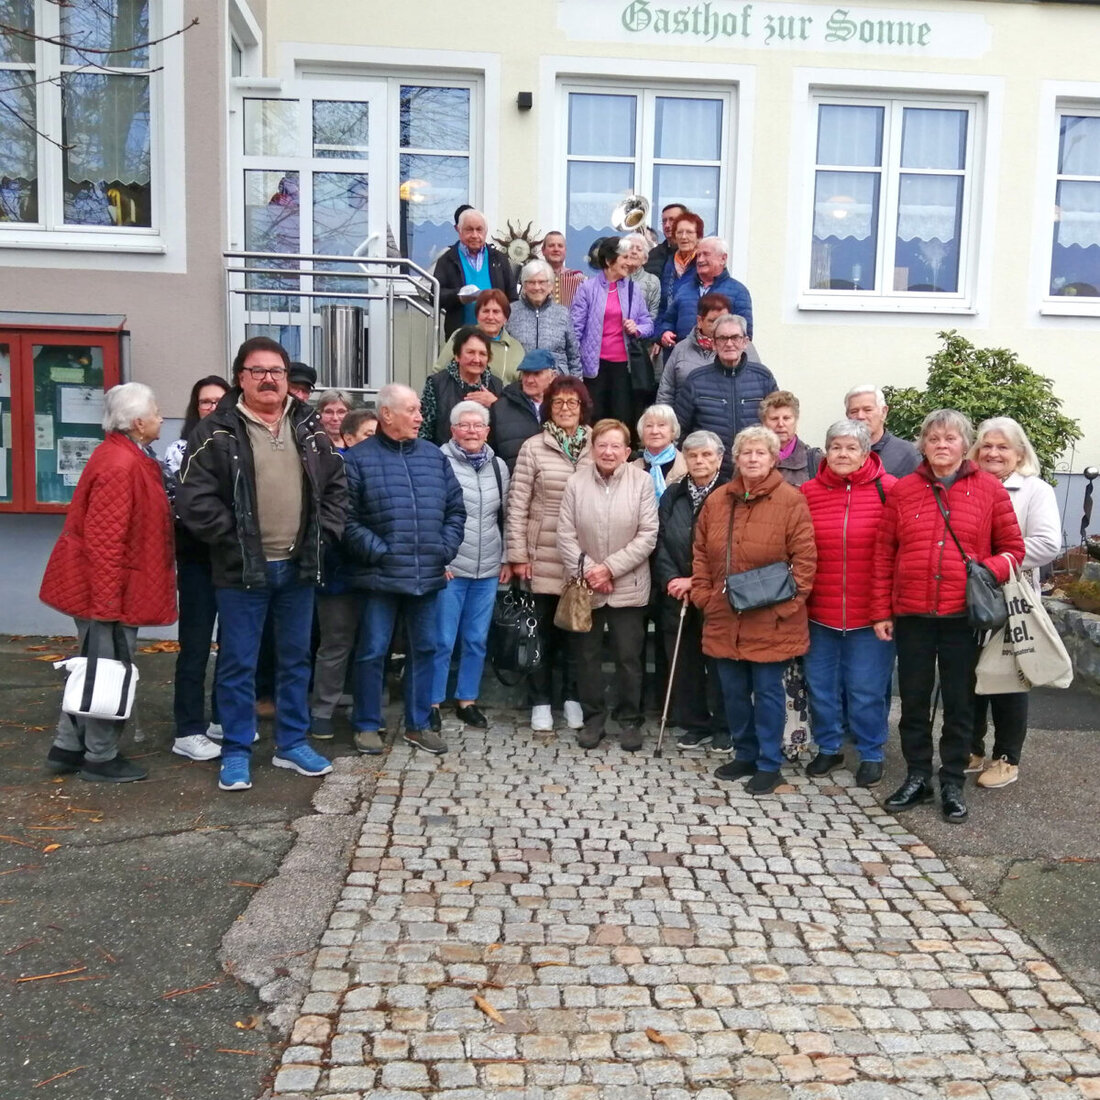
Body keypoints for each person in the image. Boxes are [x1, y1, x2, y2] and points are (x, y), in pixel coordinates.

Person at [176, 336, 347, 792]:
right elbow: (193, 500)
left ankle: (292, 743)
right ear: (241, 378)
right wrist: (234, 541)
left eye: (277, 371)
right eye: (258, 371)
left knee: (295, 660)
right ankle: (235, 750)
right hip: (241, 570)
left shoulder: (310, 427)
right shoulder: (214, 430)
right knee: (238, 663)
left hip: (298, 567)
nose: (269, 379)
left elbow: (336, 491)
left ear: (287, 379)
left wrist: (323, 535)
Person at [871, 409, 1025, 824]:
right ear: (923, 444)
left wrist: (984, 570)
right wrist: (882, 610)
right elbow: (885, 553)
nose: (942, 445)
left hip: (963, 615)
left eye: (950, 439)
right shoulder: (903, 491)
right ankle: (919, 776)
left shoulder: (990, 490)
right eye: (934, 438)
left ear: (964, 445)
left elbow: (1014, 549)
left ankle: (952, 780)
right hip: (913, 615)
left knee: (960, 702)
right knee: (915, 702)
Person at [39, 382, 176, 783]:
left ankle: (67, 747)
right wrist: (105, 606)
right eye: (155, 412)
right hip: (109, 592)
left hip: (108, 588)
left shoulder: (124, 456)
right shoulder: (121, 464)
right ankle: (100, 755)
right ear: (138, 422)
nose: (161, 418)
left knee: (91, 668)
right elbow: (105, 543)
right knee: (109, 669)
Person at [691, 425, 818, 794]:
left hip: (771, 615)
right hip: (724, 613)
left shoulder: (791, 500)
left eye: (760, 453)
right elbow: (699, 551)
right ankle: (744, 753)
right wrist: (703, 595)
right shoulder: (718, 501)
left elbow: (805, 559)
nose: (752, 458)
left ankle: (768, 763)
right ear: (736, 457)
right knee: (731, 691)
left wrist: (790, 606)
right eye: (746, 452)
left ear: (774, 457)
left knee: (767, 693)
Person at [342, 384, 465, 755]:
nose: (419, 417)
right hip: (379, 577)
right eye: (411, 410)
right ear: (387, 415)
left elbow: (455, 510)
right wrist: (379, 552)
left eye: (419, 410)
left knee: (425, 649)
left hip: (426, 574)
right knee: (372, 651)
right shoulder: (358, 459)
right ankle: (366, 724)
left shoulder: (432, 456)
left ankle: (418, 724)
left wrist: (442, 548)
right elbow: (345, 520)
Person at [801, 419, 898, 788]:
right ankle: (828, 746)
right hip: (819, 612)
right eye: (835, 447)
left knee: (866, 689)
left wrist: (886, 610)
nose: (842, 454)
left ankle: (871, 753)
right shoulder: (808, 492)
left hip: (871, 616)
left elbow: (898, 554)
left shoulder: (889, 490)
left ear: (866, 452)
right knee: (821, 686)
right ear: (825, 451)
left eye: (850, 448)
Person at [968, 417, 1062, 789]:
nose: (993, 453)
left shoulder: (1035, 491)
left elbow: (1046, 543)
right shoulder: (967, 486)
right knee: (968, 674)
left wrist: (993, 565)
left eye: (1002, 447)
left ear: (1019, 453)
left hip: (1011, 598)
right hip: (970, 596)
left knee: (1008, 676)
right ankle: (970, 748)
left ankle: (1007, 757)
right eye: (986, 446)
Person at [558, 418, 659, 751]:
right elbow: (565, 534)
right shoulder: (576, 483)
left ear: (628, 451)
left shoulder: (641, 482)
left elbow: (648, 535)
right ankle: (594, 719)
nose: (608, 451)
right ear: (592, 448)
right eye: (602, 444)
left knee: (628, 657)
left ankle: (630, 720)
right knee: (586, 656)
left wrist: (610, 569)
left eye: (616, 445)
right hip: (586, 585)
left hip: (627, 584)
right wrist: (590, 570)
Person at [506, 375, 593, 732]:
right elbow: (517, 503)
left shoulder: (596, 444)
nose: (566, 409)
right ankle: (540, 701)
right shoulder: (533, 447)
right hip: (540, 553)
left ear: (583, 407)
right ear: (548, 408)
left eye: (573, 402)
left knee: (577, 635)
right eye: (558, 402)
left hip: (581, 558)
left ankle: (572, 697)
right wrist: (517, 554)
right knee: (538, 634)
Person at [431, 401, 511, 732]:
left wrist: (506, 556)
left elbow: (506, 516)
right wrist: (438, 558)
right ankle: (432, 702)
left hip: (488, 565)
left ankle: (468, 700)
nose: (472, 431)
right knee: (442, 639)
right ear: (453, 430)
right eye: (464, 425)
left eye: (478, 426)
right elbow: (430, 514)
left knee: (477, 638)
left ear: (488, 431)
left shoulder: (499, 467)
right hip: (451, 566)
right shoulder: (437, 461)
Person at [162, 375, 230, 762]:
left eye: (219, 401)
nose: (211, 408)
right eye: (205, 402)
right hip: (197, 561)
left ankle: (223, 717)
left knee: (233, 645)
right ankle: (188, 728)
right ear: (195, 407)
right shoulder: (179, 450)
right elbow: (183, 509)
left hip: (231, 562)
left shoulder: (239, 447)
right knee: (196, 646)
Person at [653, 430, 729, 751]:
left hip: (716, 591)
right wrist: (672, 578)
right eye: (693, 455)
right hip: (678, 592)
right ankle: (695, 723)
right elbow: (661, 540)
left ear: (720, 459)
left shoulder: (730, 493)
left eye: (706, 455)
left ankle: (724, 725)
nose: (699, 461)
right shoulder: (674, 494)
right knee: (684, 660)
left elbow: (731, 547)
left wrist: (697, 580)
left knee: (721, 661)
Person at [673, 313, 779, 479]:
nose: (729, 344)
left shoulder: (763, 377)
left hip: (755, 474)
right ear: (714, 343)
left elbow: (777, 425)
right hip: (710, 476)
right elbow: (679, 431)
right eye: (722, 338)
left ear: (745, 342)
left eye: (735, 337)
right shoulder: (696, 380)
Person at [570, 236, 654, 425]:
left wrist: (637, 328)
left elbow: (648, 324)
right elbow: (575, 329)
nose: (629, 262)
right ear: (609, 261)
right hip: (594, 367)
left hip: (624, 368)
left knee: (621, 419)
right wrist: (575, 366)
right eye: (624, 257)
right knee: (593, 418)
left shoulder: (634, 289)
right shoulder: (587, 288)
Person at [658, 235, 753, 349]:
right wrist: (665, 332)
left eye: (706, 254)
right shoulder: (684, 289)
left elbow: (745, 332)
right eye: (698, 255)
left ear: (723, 258)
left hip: (718, 361)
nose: (700, 260)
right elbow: (668, 320)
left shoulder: (739, 292)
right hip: (686, 360)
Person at [434, 207, 517, 337]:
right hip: (460, 339)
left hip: (496, 337)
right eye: (469, 229)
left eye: (479, 229)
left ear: (485, 232)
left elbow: (512, 299)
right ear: (459, 231)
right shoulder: (447, 259)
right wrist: (458, 296)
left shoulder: (500, 259)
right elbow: (435, 296)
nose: (474, 235)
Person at [421, 325, 503, 445]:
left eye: (482, 354)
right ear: (457, 356)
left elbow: (507, 431)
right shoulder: (436, 383)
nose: (477, 359)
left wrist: (496, 404)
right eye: (470, 352)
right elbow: (424, 433)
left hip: (487, 460)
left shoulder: (497, 385)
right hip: (444, 459)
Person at [506, 259, 581, 377]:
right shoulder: (510, 312)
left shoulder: (563, 313)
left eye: (542, 282)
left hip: (557, 384)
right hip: (522, 382)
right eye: (531, 282)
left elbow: (574, 357)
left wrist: (575, 387)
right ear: (524, 286)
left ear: (550, 285)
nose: (537, 287)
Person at [655, 293, 731, 408]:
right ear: (700, 321)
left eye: (724, 321)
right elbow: (666, 392)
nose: (719, 326)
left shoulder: (742, 349)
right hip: (685, 420)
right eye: (713, 321)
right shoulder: (681, 349)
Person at [436, 288, 525, 383]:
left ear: (505, 318)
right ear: (477, 316)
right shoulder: (460, 337)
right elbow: (438, 373)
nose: (490, 317)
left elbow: (522, 386)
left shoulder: (516, 348)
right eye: (486, 311)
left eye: (496, 312)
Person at [490, 349, 558, 472]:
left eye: (536, 374)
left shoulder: (565, 408)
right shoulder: (501, 407)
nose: (529, 380)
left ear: (552, 376)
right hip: (513, 482)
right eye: (526, 373)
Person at [844, 384, 921, 478]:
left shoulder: (906, 453)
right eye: (854, 411)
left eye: (867, 410)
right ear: (847, 416)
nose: (860, 416)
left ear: (884, 412)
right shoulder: (840, 454)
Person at [759, 391, 824, 488]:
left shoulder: (814, 460)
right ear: (764, 423)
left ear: (796, 420)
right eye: (774, 419)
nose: (780, 424)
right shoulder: (751, 459)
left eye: (786, 418)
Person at [633, 404, 687, 500]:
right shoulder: (631, 470)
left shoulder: (688, 465)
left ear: (673, 431)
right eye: (649, 426)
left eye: (661, 425)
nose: (654, 431)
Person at [645, 202, 688, 281]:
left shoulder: (699, 254)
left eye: (672, 220)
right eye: (664, 221)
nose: (667, 225)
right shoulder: (653, 254)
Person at [541, 230, 585, 308]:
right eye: (551, 245)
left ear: (565, 251)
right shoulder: (534, 277)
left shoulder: (578, 278)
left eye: (560, 246)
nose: (556, 249)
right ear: (543, 251)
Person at [624, 233, 661, 321]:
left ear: (645, 259)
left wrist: (638, 329)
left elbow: (653, 315)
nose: (634, 251)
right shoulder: (614, 277)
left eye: (639, 249)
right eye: (630, 248)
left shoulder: (653, 281)